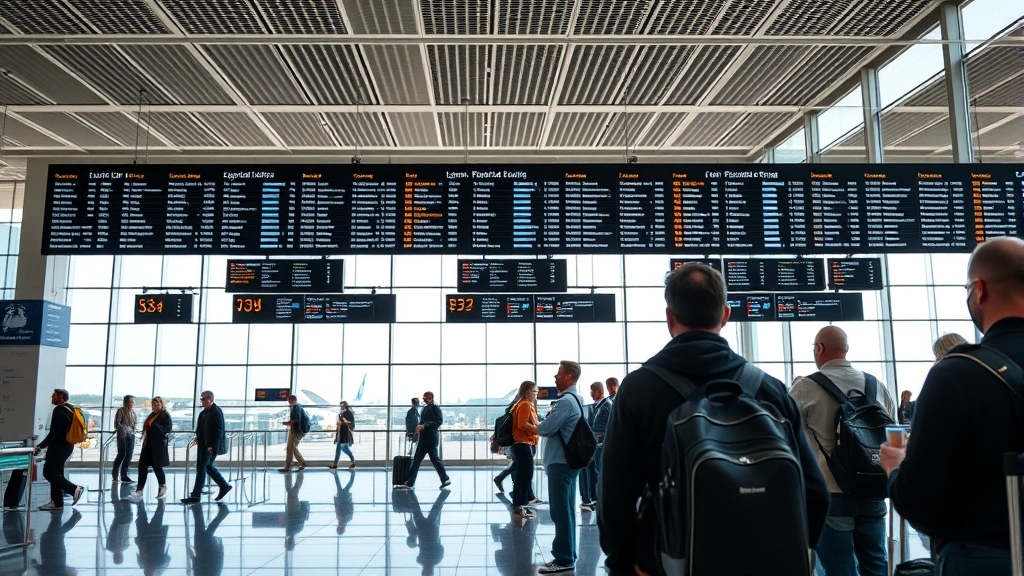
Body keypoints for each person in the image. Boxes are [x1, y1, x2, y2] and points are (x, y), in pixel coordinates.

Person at [598, 263, 829, 576]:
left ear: (669, 317)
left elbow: (614, 497)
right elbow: (815, 492)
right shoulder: (769, 389)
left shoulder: (639, 389)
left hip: (668, 561)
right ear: (725, 315)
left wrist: (626, 563)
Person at [881, 237, 1024, 575]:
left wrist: (897, 468)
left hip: (984, 559)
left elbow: (921, 504)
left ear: (980, 289)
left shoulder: (957, 374)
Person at [790, 325, 896, 576]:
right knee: (876, 564)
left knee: (838, 569)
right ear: (846, 350)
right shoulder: (876, 385)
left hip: (830, 493)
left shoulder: (805, 388)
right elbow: (892, 430)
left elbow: (786, 436)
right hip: (873, 489)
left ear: (819, 348)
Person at [536, 360, 586, 574]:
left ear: (568, 377)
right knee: (566, 510)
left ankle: (564, 558)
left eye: (558, 373)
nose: (555, 377)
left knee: (560, 510)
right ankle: (567, 555)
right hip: (568, 462)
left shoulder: (565, 401)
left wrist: (533, 425)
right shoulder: (577, 399)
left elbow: (546, 428)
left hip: (560, 462)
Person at [34, 388, 84, 511]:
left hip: (58, 446)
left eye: (54, 395)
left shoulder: (59, 410)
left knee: (48, 472)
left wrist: (40, 446)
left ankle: (74, 489)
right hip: (68, 446)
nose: (52, 397)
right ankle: (57, 502)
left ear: (60, 396)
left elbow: (54, 433)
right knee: (56, 473)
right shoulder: (71, 409)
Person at [182, 391, 231, 505]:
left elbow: (219, 431)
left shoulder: (215, 411)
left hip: (209, 447)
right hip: (204, 445)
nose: (202, 401)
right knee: (207, 467)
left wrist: (212, 446)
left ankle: (196, 495)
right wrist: (198, 438)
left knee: (202, 468)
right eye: (201, 399)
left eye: (204, 399)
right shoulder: (204, 412)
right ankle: (224, 486)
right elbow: (202, 428)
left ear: (210, 399)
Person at [399, 391, 451, 490]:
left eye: (425, 398)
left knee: (431, 459)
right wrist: (419, 429)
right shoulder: (426, 408)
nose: (423, 400)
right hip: (425, 439)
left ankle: (444, 479)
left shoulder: (434, 408)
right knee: (419, 460)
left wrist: (424, 426)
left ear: (430, 397)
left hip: (430, 439)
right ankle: (411, 482)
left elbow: (439, 421)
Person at [128, 396, 172, 502]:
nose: (154, 406)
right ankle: (139, 491)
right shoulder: (152, 415)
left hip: (157, 446)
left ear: (161, 404)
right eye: (153, 404)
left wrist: (157, 428)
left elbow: (168, 429)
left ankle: (162, 486)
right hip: (148, 445)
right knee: (142, 466)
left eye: (157, 404)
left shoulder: (164, 415)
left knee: (157, 467)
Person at [579, 381, 612, 512]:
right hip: (596, 444)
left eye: (592, 391)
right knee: (593, 470)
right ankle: (592, 498)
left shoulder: (606, 406)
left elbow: (604, 426)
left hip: (599, 444)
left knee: (597, 470)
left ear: (599, 391)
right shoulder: (598, 406)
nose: (591, 394)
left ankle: (595, 499)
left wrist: (595, 435)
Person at [510, 380, 539, 520]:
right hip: (523, 444)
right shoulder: (525, 404)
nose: (536, 394)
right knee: (524, 477)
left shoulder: (520, 404)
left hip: (521, 444)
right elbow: (522, 424)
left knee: (522, 476)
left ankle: (520, 507)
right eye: (534, 391)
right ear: (527, 391)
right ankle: (518, 507)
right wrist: (537, 429)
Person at [31, 508, 81, 575]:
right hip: (51, 555)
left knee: (54, 534)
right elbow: (41, 570)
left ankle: (59, 514)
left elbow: (41, 571)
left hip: (55, 556)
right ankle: (58, 514)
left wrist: (35, 565)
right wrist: (35, 565)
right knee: (54, 535)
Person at [190, 501, 229, 576]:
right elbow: (198, 564)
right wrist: (192, 555)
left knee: (202, 533)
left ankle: (197, 507)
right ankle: (197, 507)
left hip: (210, 552)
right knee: (201, 534)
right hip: (206, 552)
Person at [135, 500, 170, 576]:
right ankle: (160, 497)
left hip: (151, 536)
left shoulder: (159, 563)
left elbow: (140, 550)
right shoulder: (159, 563)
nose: (147, 569)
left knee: (155, 514)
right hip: (152, 536)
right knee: (156, 514)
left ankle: (142, 497)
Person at [112, 395, 137, 484]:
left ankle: (124, 475)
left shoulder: (133, 412)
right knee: (121, 454)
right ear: (126, 402)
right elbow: (117, 423)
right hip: (123, 436)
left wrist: (133, 431)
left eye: (133, 402)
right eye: (131, 402)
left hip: (131, 436)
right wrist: (125, 430)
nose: (132, 403)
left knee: (129, 455)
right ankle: (115, 474)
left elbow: (134, 424)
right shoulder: (121, 411)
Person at [279, 394, 308, 472]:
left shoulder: (295, 407)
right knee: (292, 448)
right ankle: (300, 463)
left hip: (295, 431)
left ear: (292, 400)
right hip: (298, 431)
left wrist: (284, 423)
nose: (288, 402)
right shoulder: (300, 407)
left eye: (289, 400)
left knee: (291, 448)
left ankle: (289, 466)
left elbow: (294, 420)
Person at [106, 485, 133, 565]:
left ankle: (124, 486)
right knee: (116, 502)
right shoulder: (110, 547)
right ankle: (117, 486)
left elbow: (114, 533)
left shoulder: (125, 546)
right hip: (120, 521)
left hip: (125, 520)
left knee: (124, 501)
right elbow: (111, 534)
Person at [284, 471, 309, 551]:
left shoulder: (298, 529)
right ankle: (298, 473)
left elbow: (302, 517)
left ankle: (289, 472)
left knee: (290, 491)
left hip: (293, 509)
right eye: (289, 543)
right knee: (293, 491)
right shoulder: (292, 530)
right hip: (293, 509)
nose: (289, 541)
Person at [330, 401, 356, 470]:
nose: (340, 406)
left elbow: (350, 423)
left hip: (345, 433)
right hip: (340, 433)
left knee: (343, 448)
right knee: (338, 449)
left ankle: (353, 460)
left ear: (344, 405)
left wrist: (343, 422)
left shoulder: (348, 413)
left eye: (341, 405)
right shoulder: (342, 413)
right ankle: (335, 464)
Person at [334, 469, 355, 535]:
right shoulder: (347, 518)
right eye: (340, 528)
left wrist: (335, 500)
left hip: (341, 499)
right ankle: (352, 475)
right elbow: (350, 508)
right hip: (345, 499)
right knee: (346, 487)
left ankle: (335, 474)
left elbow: (337, 508)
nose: (339, 526)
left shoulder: (339, 518)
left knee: (339, 486)